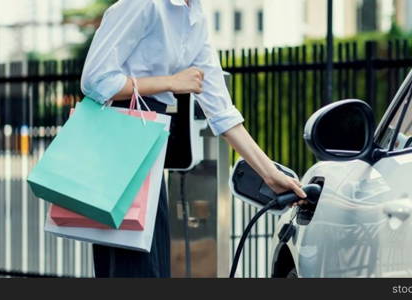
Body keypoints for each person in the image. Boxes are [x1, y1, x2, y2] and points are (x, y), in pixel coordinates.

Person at [80, 0, 307, 278]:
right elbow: (95, 81)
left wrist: (271, 175)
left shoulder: (194, 16)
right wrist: (170, 82)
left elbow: (221, 111)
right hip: (120, 140)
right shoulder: (144, 4)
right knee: (131, 267)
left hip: (146, 146)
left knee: (154, 266)